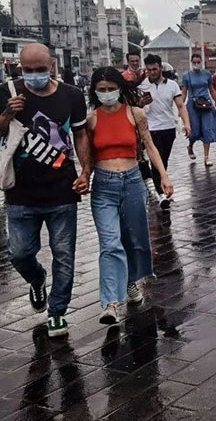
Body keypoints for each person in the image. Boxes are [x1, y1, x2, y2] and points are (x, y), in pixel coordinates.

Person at [0, 43, 90, 338]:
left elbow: (80, 134)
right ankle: (37, 279)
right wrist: (7, 113)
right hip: (20, 193)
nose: (34, 76)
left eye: (40, 70)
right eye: (27, 70)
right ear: (19, 68)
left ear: (52, 65)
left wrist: (85, 171)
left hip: (62, 190)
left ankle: (57, 312)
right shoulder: (8, 91)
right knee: (19, 252)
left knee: (64, 255)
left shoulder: (71, 95)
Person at [86, 66, 174, 325]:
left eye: (111, 89)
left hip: (132, 180)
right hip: (103, 185)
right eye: (101, 90)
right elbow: (86, 155)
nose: (107, 94)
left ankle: (131, 280)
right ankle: (110, 303)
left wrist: (164, 176)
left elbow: (149, 145)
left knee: (134, 238)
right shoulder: (90, 119)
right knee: (110, 242)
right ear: (94, 92)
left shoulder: (135, 114)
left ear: (120, 89)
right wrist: (82, 177)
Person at [138, 54, 191, 210]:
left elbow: (181, 106)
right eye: (149, 70)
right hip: (150, 129)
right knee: (157, 160)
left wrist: (186, 123)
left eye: (155, 69)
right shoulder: (141, 86)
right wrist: (141, 103)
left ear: (160, 67)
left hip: (168, 127)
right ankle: (161, 192)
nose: (152, 72)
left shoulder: (173, 85)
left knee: (164, 160)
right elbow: (135, 107)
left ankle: (161, 182)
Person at [181, 53, 216, 166]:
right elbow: (183, 93)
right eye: (194, 62)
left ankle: (206, 157)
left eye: (198, 62)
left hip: (206, 105)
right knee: (195, 132)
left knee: (207, 130)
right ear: (191, 63)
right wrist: (180, 108)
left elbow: (212, 91)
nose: (196, 64)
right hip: (193, 106)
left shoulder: (207, 74)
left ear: (201, 62)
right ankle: (190, 146)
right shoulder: (186, 75)